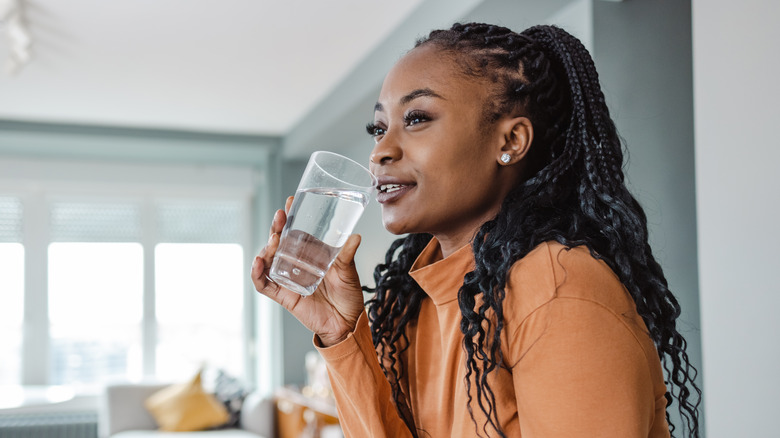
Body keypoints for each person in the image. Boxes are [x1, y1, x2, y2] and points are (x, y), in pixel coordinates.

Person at [252, 22, 701, 438]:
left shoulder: (558, 289)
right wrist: (341, 333)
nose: (381, 151)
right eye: (378, 127)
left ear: (510, 141)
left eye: (416, 118)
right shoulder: (412, 302)